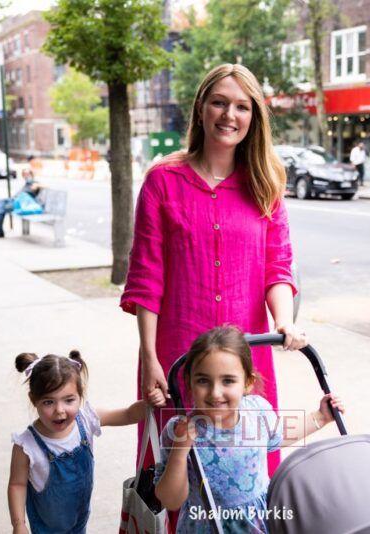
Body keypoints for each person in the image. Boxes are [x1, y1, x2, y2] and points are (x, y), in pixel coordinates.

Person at [120, 63, 306, 477]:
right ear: (201, 108)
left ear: (253, 117)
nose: (229, 115)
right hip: (177, 355)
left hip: (245, 354)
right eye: (219, 103)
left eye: (242, 106)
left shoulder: (265, 185)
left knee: (246, 468)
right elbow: (146, 278)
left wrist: (284, 322)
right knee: (174, 466)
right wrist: (149, 357)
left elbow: (277, 267)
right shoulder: (163, 181)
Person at [154, 326, 345, 533]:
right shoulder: (179, 430)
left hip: (258, 523)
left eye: (228, 381)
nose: (215, 393)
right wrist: (180, 451)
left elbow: (279, 435)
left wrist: (320, 417)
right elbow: (170, 500)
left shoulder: (256, 411)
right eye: (203, 381)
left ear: (247, 383)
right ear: (189, 383)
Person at [7, 350, 163, 534]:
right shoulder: (26, 446)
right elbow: (17, 485)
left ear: (80, 396)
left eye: (69, 400)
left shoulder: (86, 420)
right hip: (45, 528)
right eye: (48, 402)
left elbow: (128, 414)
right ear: (33, 400)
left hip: (79, 520)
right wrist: (19, 524)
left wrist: (149, 404)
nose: (59, 410)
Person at [0, 170, 42, 239]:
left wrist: (37, 185)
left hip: (23, 205)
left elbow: (43, 185)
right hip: (16, 201)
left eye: (27, 174)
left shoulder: (34, 183)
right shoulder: (26, 184)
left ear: (31, 174)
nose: (26, 176)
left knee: (1, 209)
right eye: (24, 174)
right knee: (0, 202)